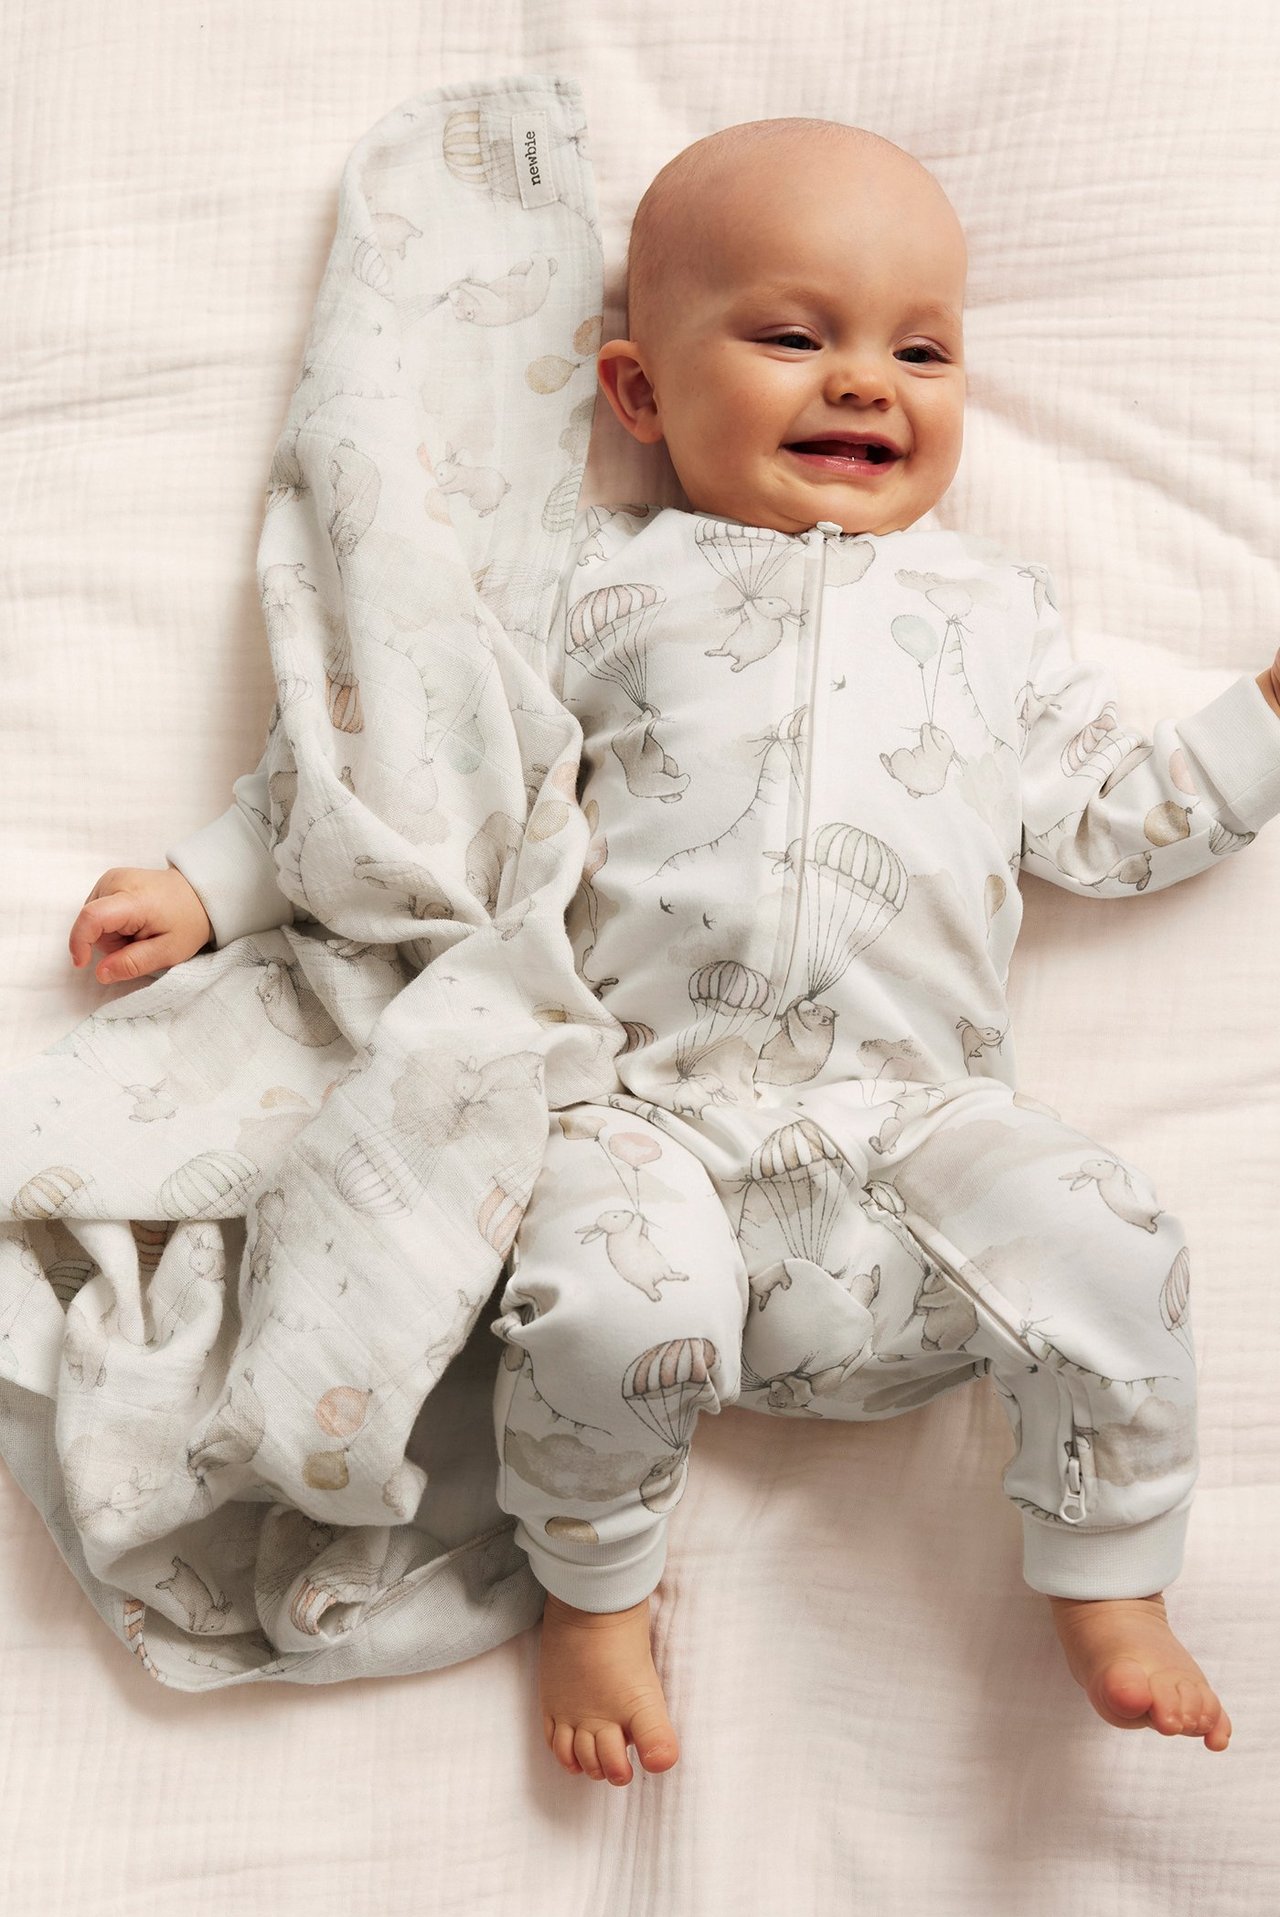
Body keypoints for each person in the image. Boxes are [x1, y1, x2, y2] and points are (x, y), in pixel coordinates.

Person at [69, 119, 1276, 1787]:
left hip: (918, 1129)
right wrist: (216, 885)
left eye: (920, 349)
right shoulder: (592, 585)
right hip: (643, 1116)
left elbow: (1120, 820)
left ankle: (1109, 1575)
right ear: (637, 395)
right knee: (598, 1310)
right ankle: (600, 1595)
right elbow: (418, 766)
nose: (868, 382)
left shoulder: (996, 614)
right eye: (796, 336)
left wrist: (1263, 718)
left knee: (1121, 1241)